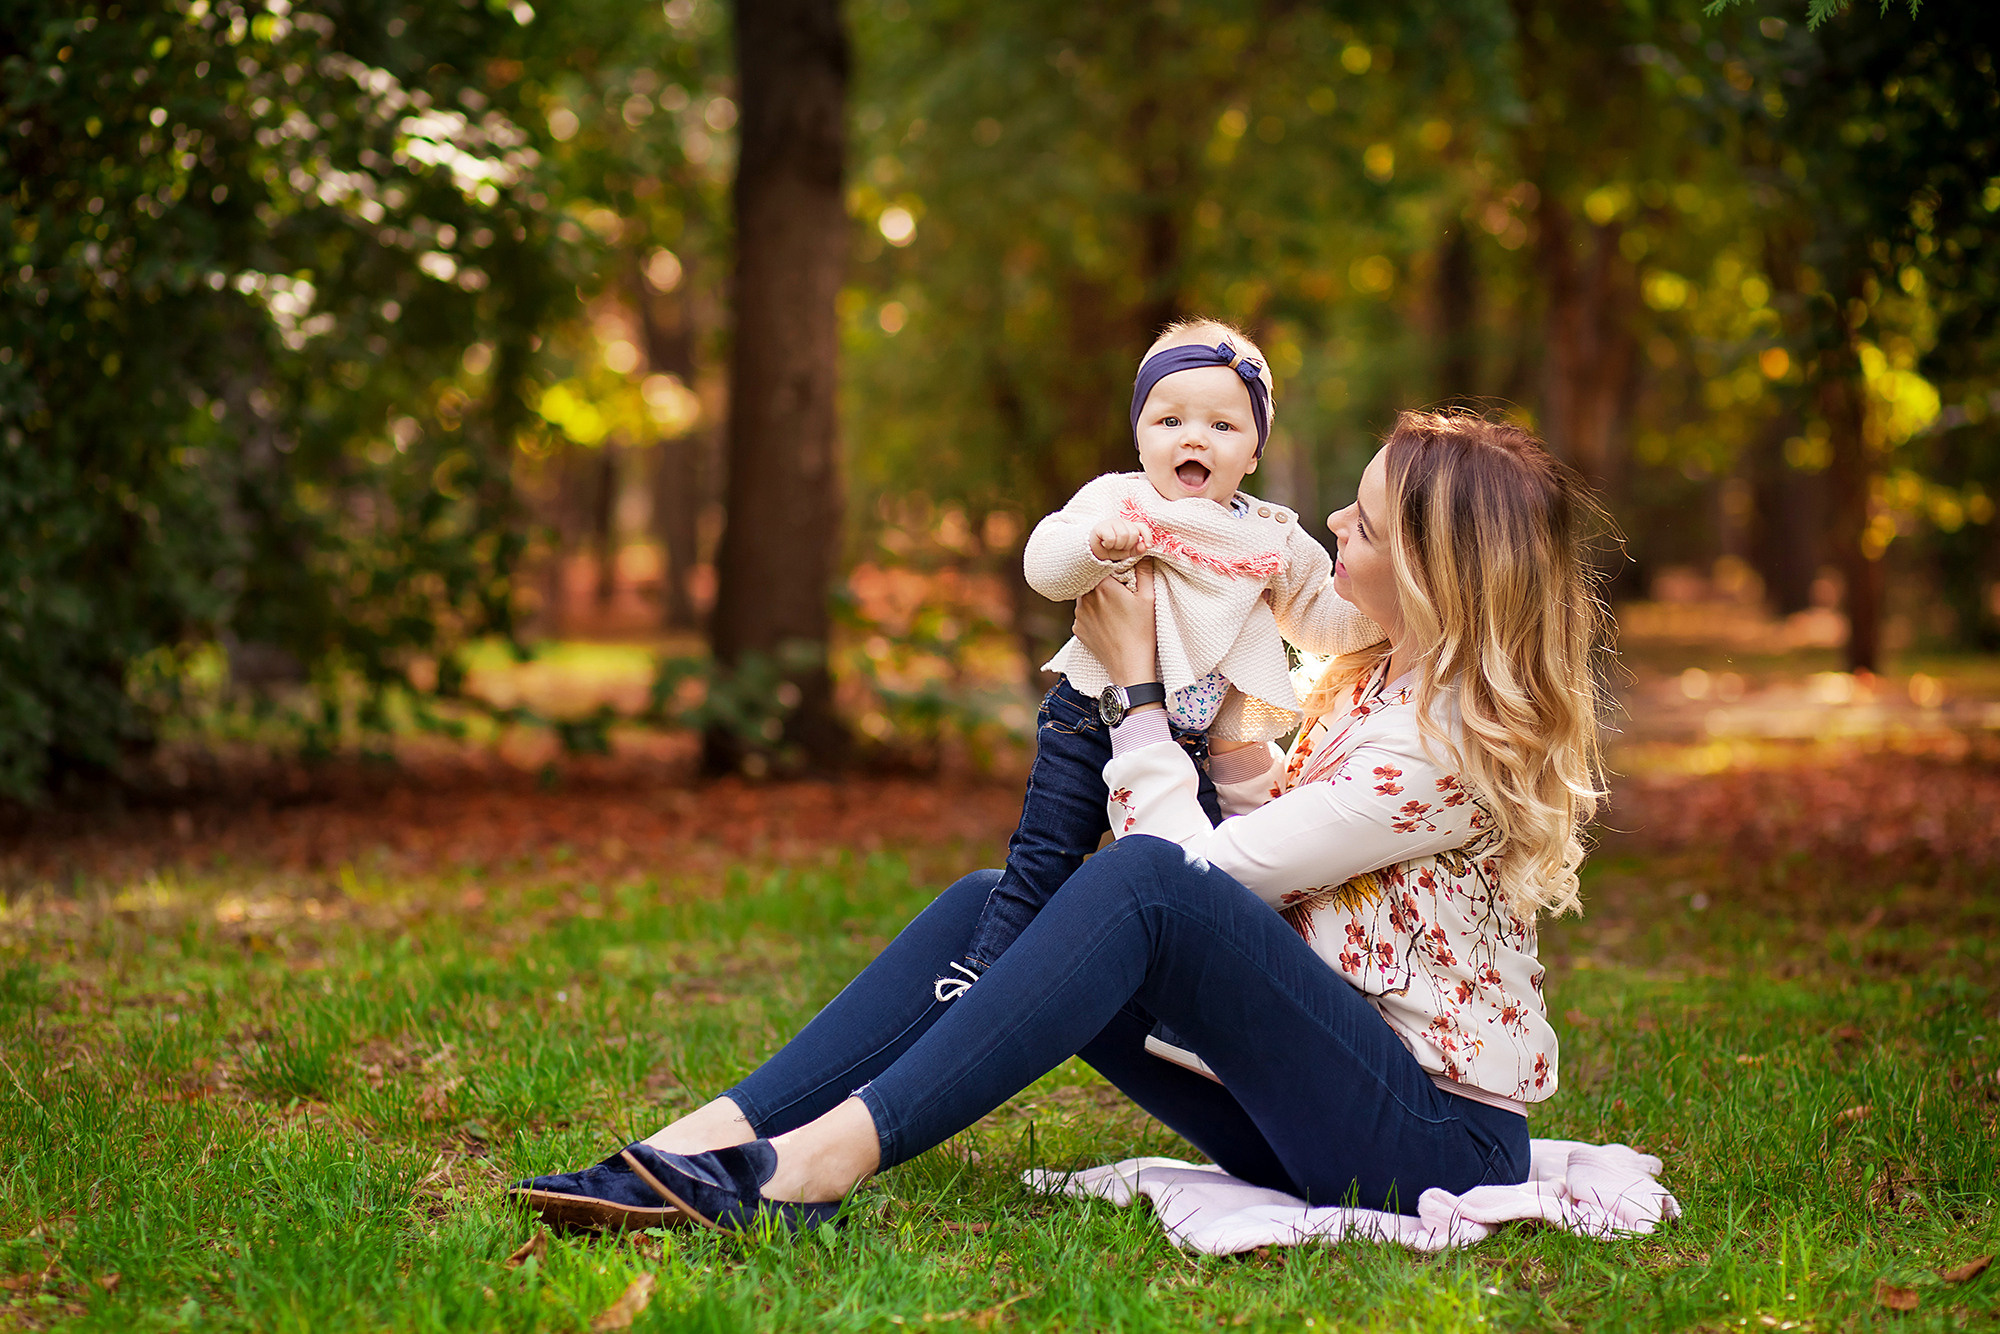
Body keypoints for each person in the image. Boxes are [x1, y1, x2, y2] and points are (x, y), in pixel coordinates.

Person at [510, 410, 1607, 1233]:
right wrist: (1232, 733)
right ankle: (702, 1140)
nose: (1329, 525)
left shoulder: (1440, 740)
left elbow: (1200, 879)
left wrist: (1134, 692)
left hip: (1429, 1144)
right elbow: (1295, 856)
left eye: (1360, 523)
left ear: (1427, 569)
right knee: (995, 905)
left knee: (1143, 885)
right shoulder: (1382, 673)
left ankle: (814, 1167)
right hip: (1312, 1097)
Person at [942, 317, 1379, 1000]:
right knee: (1044, 859)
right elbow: (1043, 566)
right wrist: (1093, 546)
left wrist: (1390, 613)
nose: (1193, 438)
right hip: (1090, 718)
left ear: (1254, 451)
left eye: (1222, 426)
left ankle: (1181, 1018)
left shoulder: (1273, 537)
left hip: (1188, 746)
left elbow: (1320, 620)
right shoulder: (1119, 502)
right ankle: (980, 980)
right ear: (1141, 435)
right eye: (1169, 420)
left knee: (1197, 884)